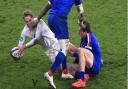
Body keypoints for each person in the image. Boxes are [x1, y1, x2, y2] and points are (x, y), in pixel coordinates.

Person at [18, 10, 73, 89]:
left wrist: (24, 46)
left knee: (68, 48)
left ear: (33, 18)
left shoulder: (39, 22)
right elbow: (20, 42)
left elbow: (36, 39)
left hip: (55, 42)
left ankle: (66, 72)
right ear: (24, 22)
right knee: (61, 62)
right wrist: (19, 50)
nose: (29, 23)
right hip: (50, 51)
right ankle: (63, 72)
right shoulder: (25, 30)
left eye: (30, 20)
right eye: (26, 21)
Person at [28, 0, 85, 72]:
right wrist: (81, 18)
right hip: (59, 19)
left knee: (62, 45)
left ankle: (64, 71)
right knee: (64, 47)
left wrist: (37, 18)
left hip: (51, 18)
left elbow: (47, 6)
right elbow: (80, 9)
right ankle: (50, 73)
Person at [66, 20, 103, 88]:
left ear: (85, 32)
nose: (78, 32)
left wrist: (73, 53)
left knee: (81, 50)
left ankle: (82, 80)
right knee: (64, 67)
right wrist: (72, 53)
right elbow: (81, 56)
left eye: (80, 31)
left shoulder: (90, 38)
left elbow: (82, 53)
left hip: (94, 65)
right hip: (87, 66)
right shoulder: (83, 38)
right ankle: (85, 75)